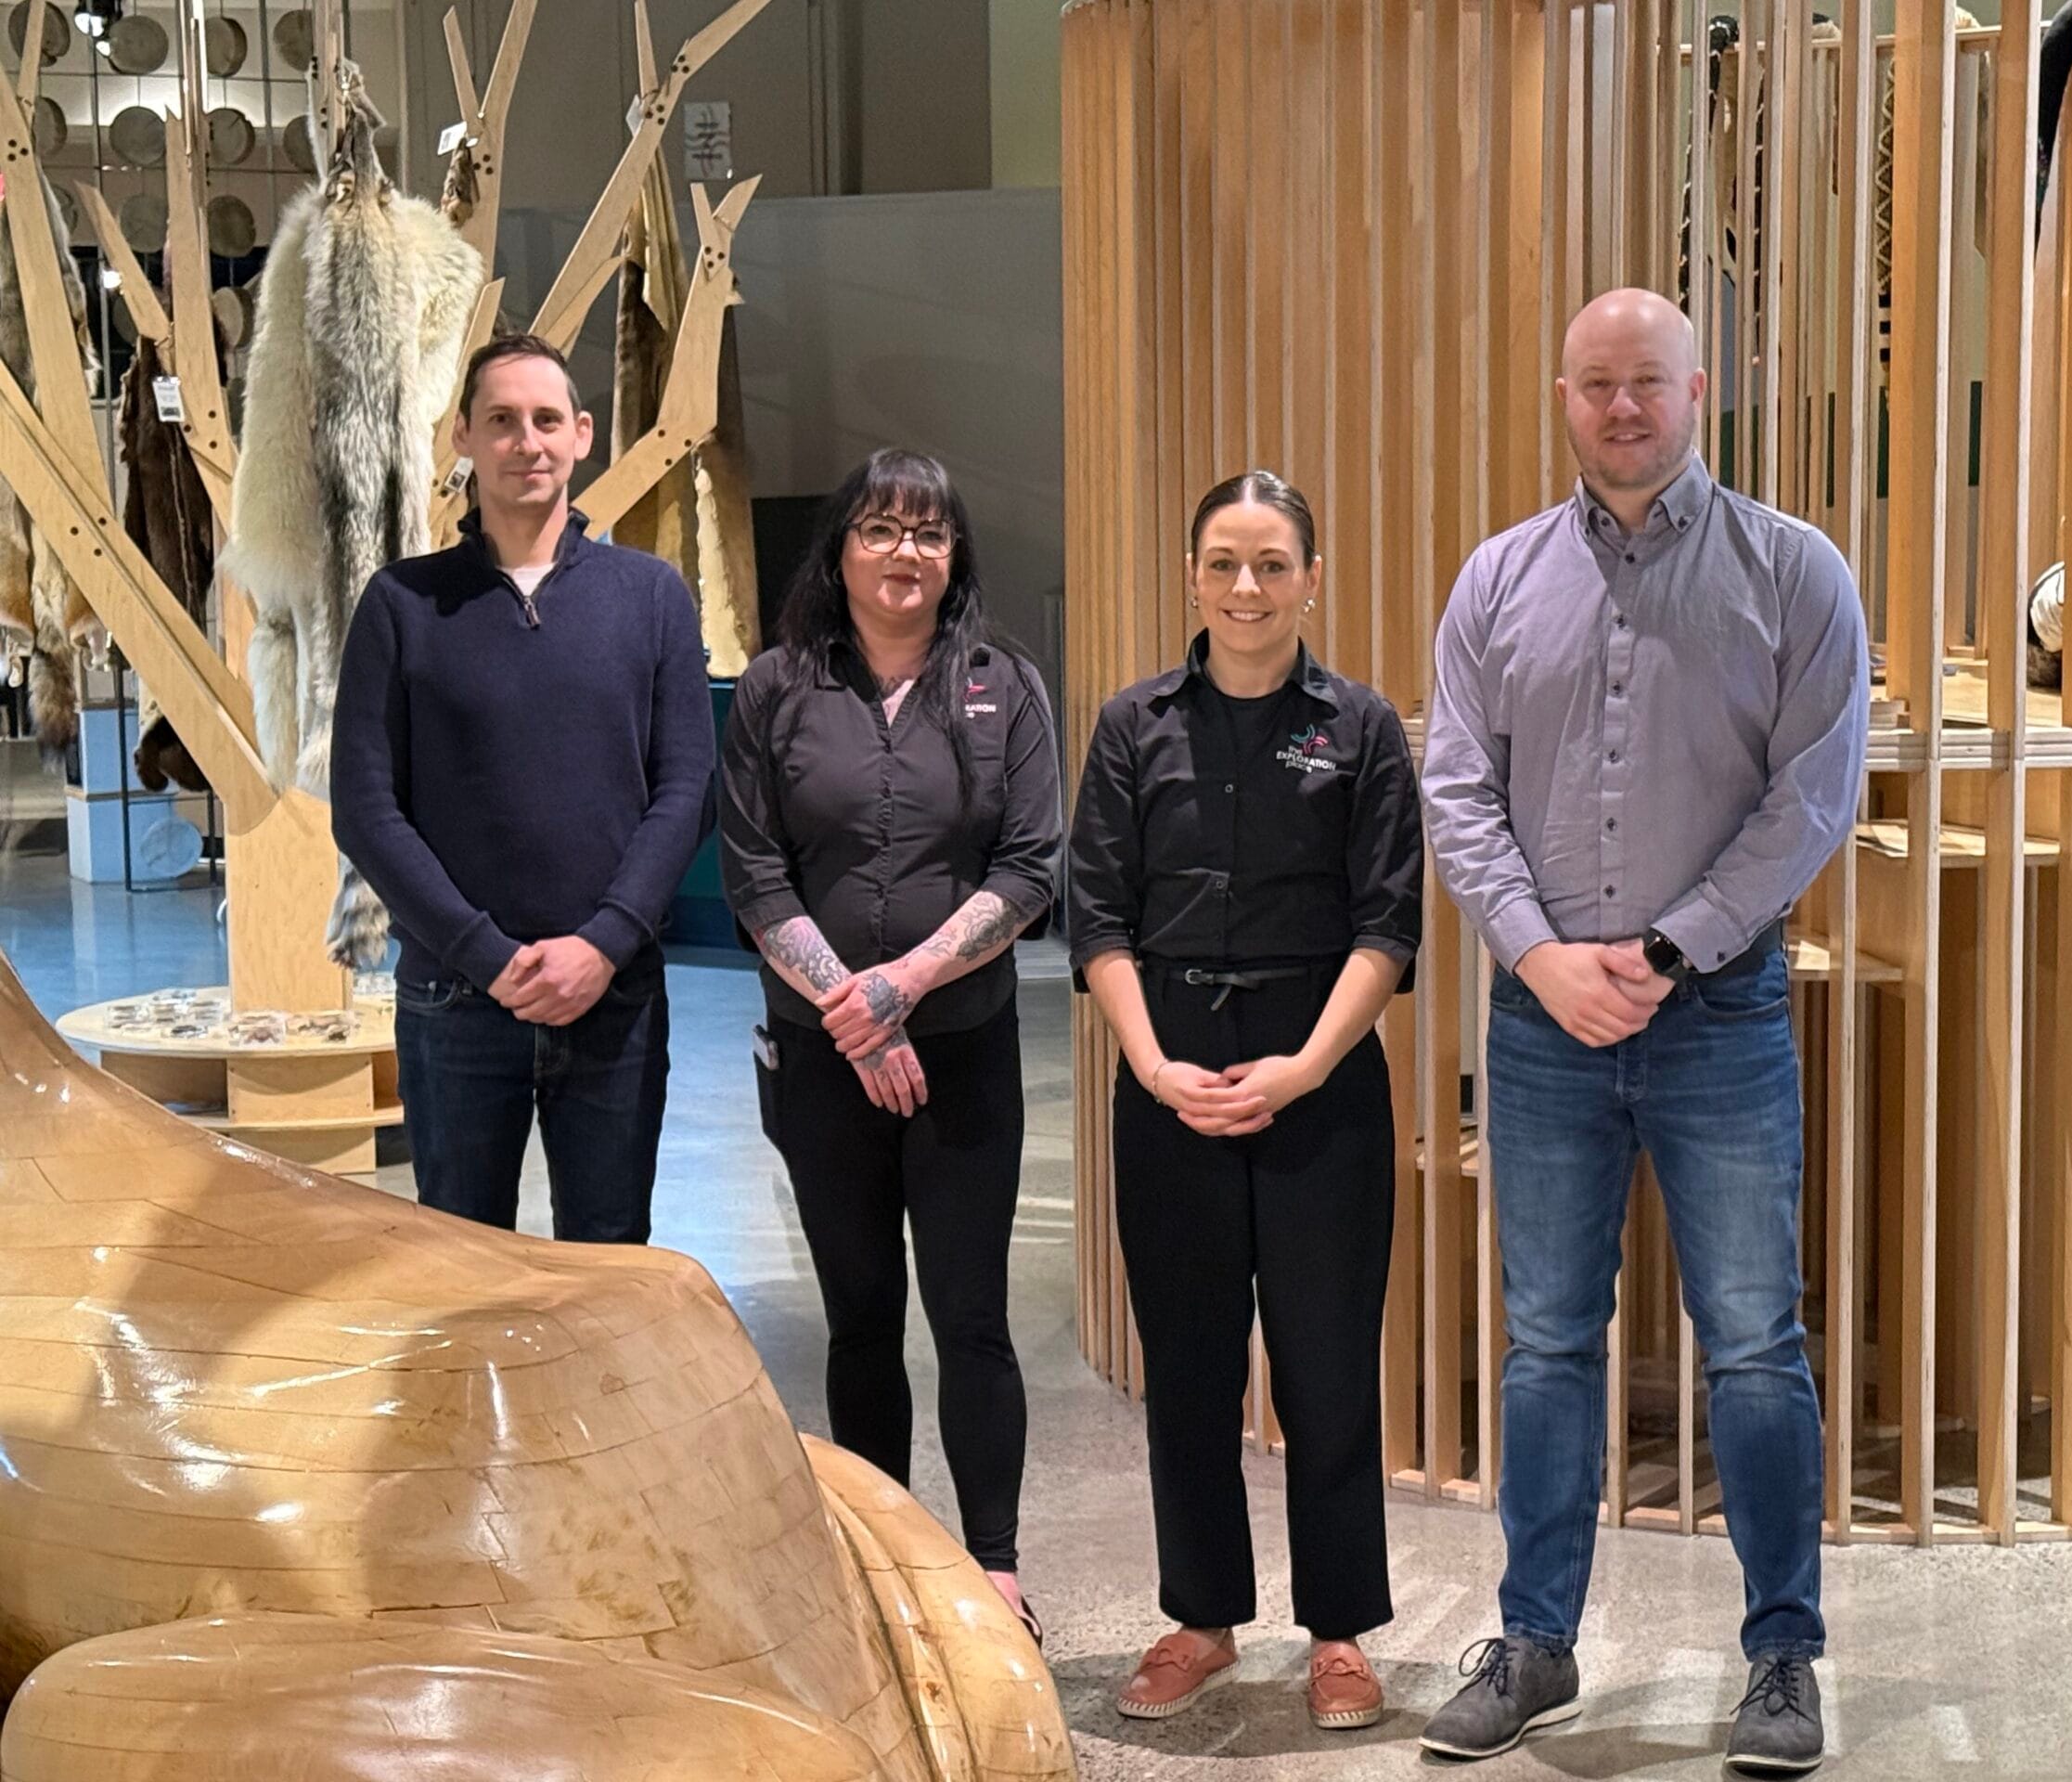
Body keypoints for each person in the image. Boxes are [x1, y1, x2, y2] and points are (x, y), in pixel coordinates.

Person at [1416, 288, 1867, 1772]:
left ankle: (1783, 1661)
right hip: (1543, 1019)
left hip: (1719, 1011)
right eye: (1596, 383)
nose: (1622, 407)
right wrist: (1544, 958)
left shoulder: (1793, 572)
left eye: (1647, 383)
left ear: (1698, 391)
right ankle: (1536, 1642)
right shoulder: (1495, 581)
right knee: (1549, 1339)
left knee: (1754, 1342)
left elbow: (1814, 794)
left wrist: (1672, 947)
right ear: (1564, 397)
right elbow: (1457, 791)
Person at [1069, 470, 1424, 1732]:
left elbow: (1388, 926)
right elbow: (1095, 916)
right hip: (1167, 1067)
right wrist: (1151, 1063)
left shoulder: (1361, 728)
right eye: (1223, 562)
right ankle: (1202, 1618)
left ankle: (1340, 1633)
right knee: (1189, 1364)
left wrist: (1306, 1066)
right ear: (1192, 576)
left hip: (1319, 1074)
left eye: (1273, 564)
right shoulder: (1132, 727)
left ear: (1311, 580)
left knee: (1327, 1363)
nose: (1247, 587)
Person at [717, 446, 1062, 1644]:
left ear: (955, 555)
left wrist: (903, 987)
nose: (904, 552)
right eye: (879, 528)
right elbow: (754, 873)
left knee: (971, 1317)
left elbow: (1031, 868)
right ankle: (880, 1557)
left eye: (928, 531)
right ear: (841, 550)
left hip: (962, 1050)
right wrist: (854, 1020)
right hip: (823, 1062)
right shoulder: (775, 690)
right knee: (860, 1315)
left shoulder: (1006, 686)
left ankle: (993, 1567)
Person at [330, 332, 715, 1245]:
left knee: (606, 1266)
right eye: (501, 421)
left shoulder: (650, 596)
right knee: (464, 1268)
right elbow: (366, 808)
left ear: (582, 435)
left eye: (546, 420)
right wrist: (486, 956)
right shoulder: (402, 604)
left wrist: (605, 943)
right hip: (455, 1002)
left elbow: (687, 787)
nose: (526, 442)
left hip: (612, 997)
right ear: (462, 437)